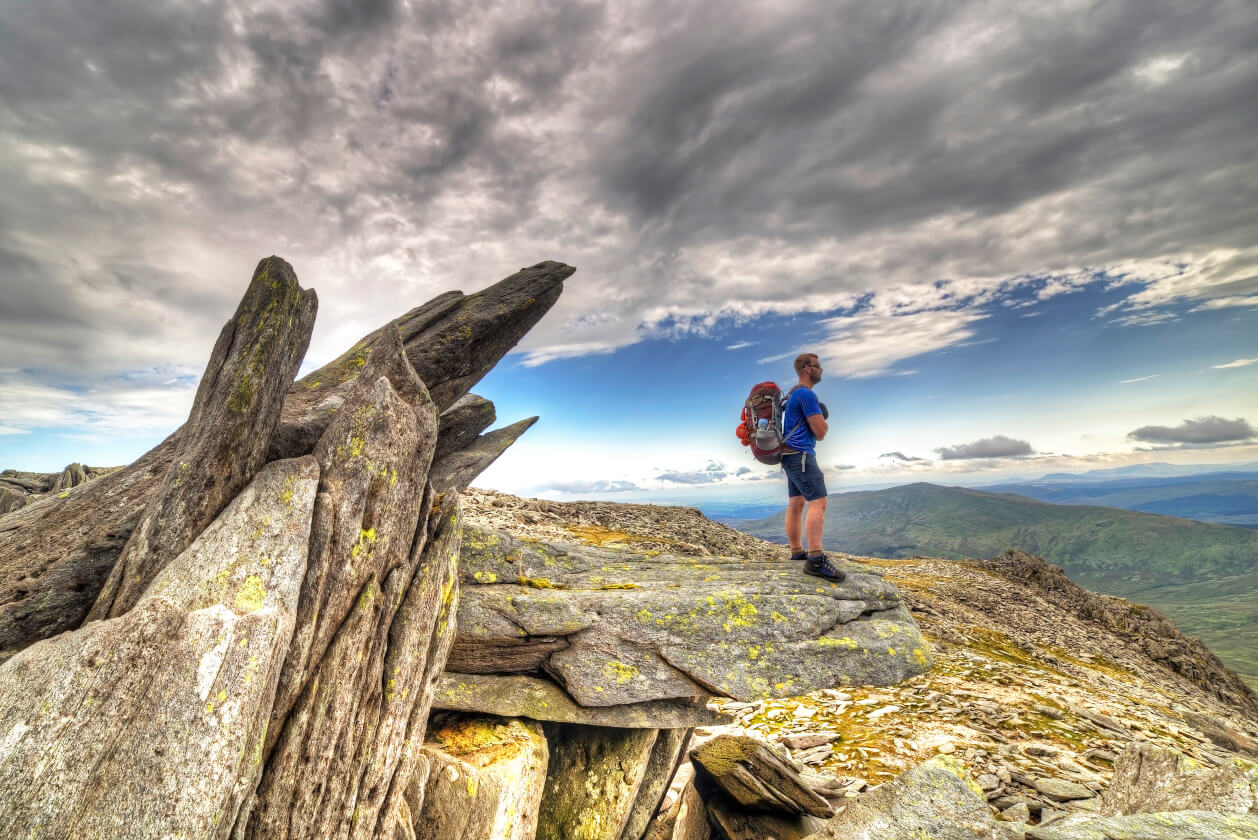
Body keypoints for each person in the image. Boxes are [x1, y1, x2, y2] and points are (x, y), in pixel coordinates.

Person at [782, 353, 844, 581]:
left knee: (796, 502)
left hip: (788, 456)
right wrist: (822, 418)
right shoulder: (807, 395)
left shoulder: (791, 395)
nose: (822, 370)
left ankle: (797, 552)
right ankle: (816, 559)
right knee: (818, 501)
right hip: (802, 456)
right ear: (807, 369)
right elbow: (821, 432)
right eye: (819, 367)